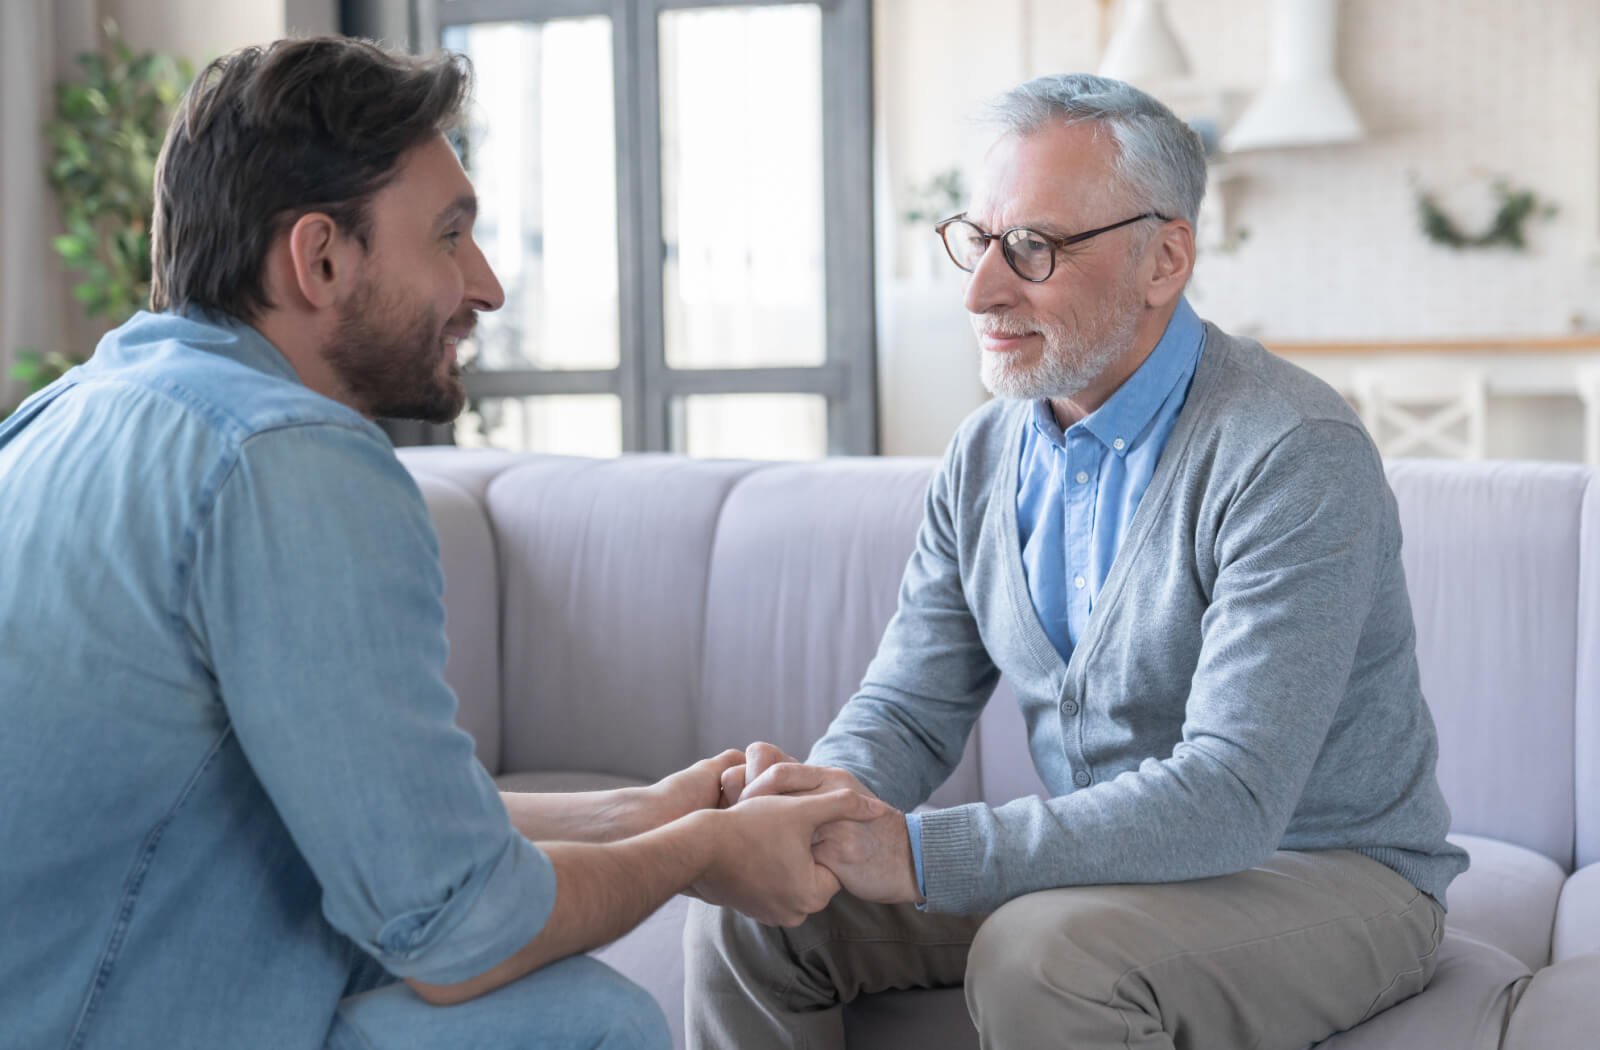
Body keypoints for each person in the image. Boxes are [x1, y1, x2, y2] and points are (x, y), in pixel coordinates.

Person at [0, 36, 884, 1050]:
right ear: (321, 257)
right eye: (450, 235)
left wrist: (645, 812)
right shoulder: (291, 458)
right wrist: (699, 857)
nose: (488, 285)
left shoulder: (67, 414)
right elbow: (458, 934)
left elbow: (390, 825)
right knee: (584, 1024)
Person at [684, 73, 1470, 1050]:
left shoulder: (1290, 451)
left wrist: (920, 853)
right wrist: (812, 815)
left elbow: (1230, 796)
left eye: (1032, 247)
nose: (979, 290)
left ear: (1163, 258)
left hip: (1327, 873)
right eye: (977, 239)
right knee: (749, 912)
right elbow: (908, 706)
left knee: (1044, 956)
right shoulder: (982, 454)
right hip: (1118, 869)